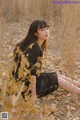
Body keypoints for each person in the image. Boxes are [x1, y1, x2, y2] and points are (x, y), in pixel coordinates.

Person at [11, 20, 80, 104]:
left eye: (47, 28)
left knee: (56, 75)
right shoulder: (35, 48)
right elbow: (32, 74)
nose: (46, 31)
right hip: (26, 87)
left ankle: (78, 84)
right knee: (56, 78)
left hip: (20, 83)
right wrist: (34, 95)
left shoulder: (30, 44)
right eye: (42, 29)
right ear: (35, 33)